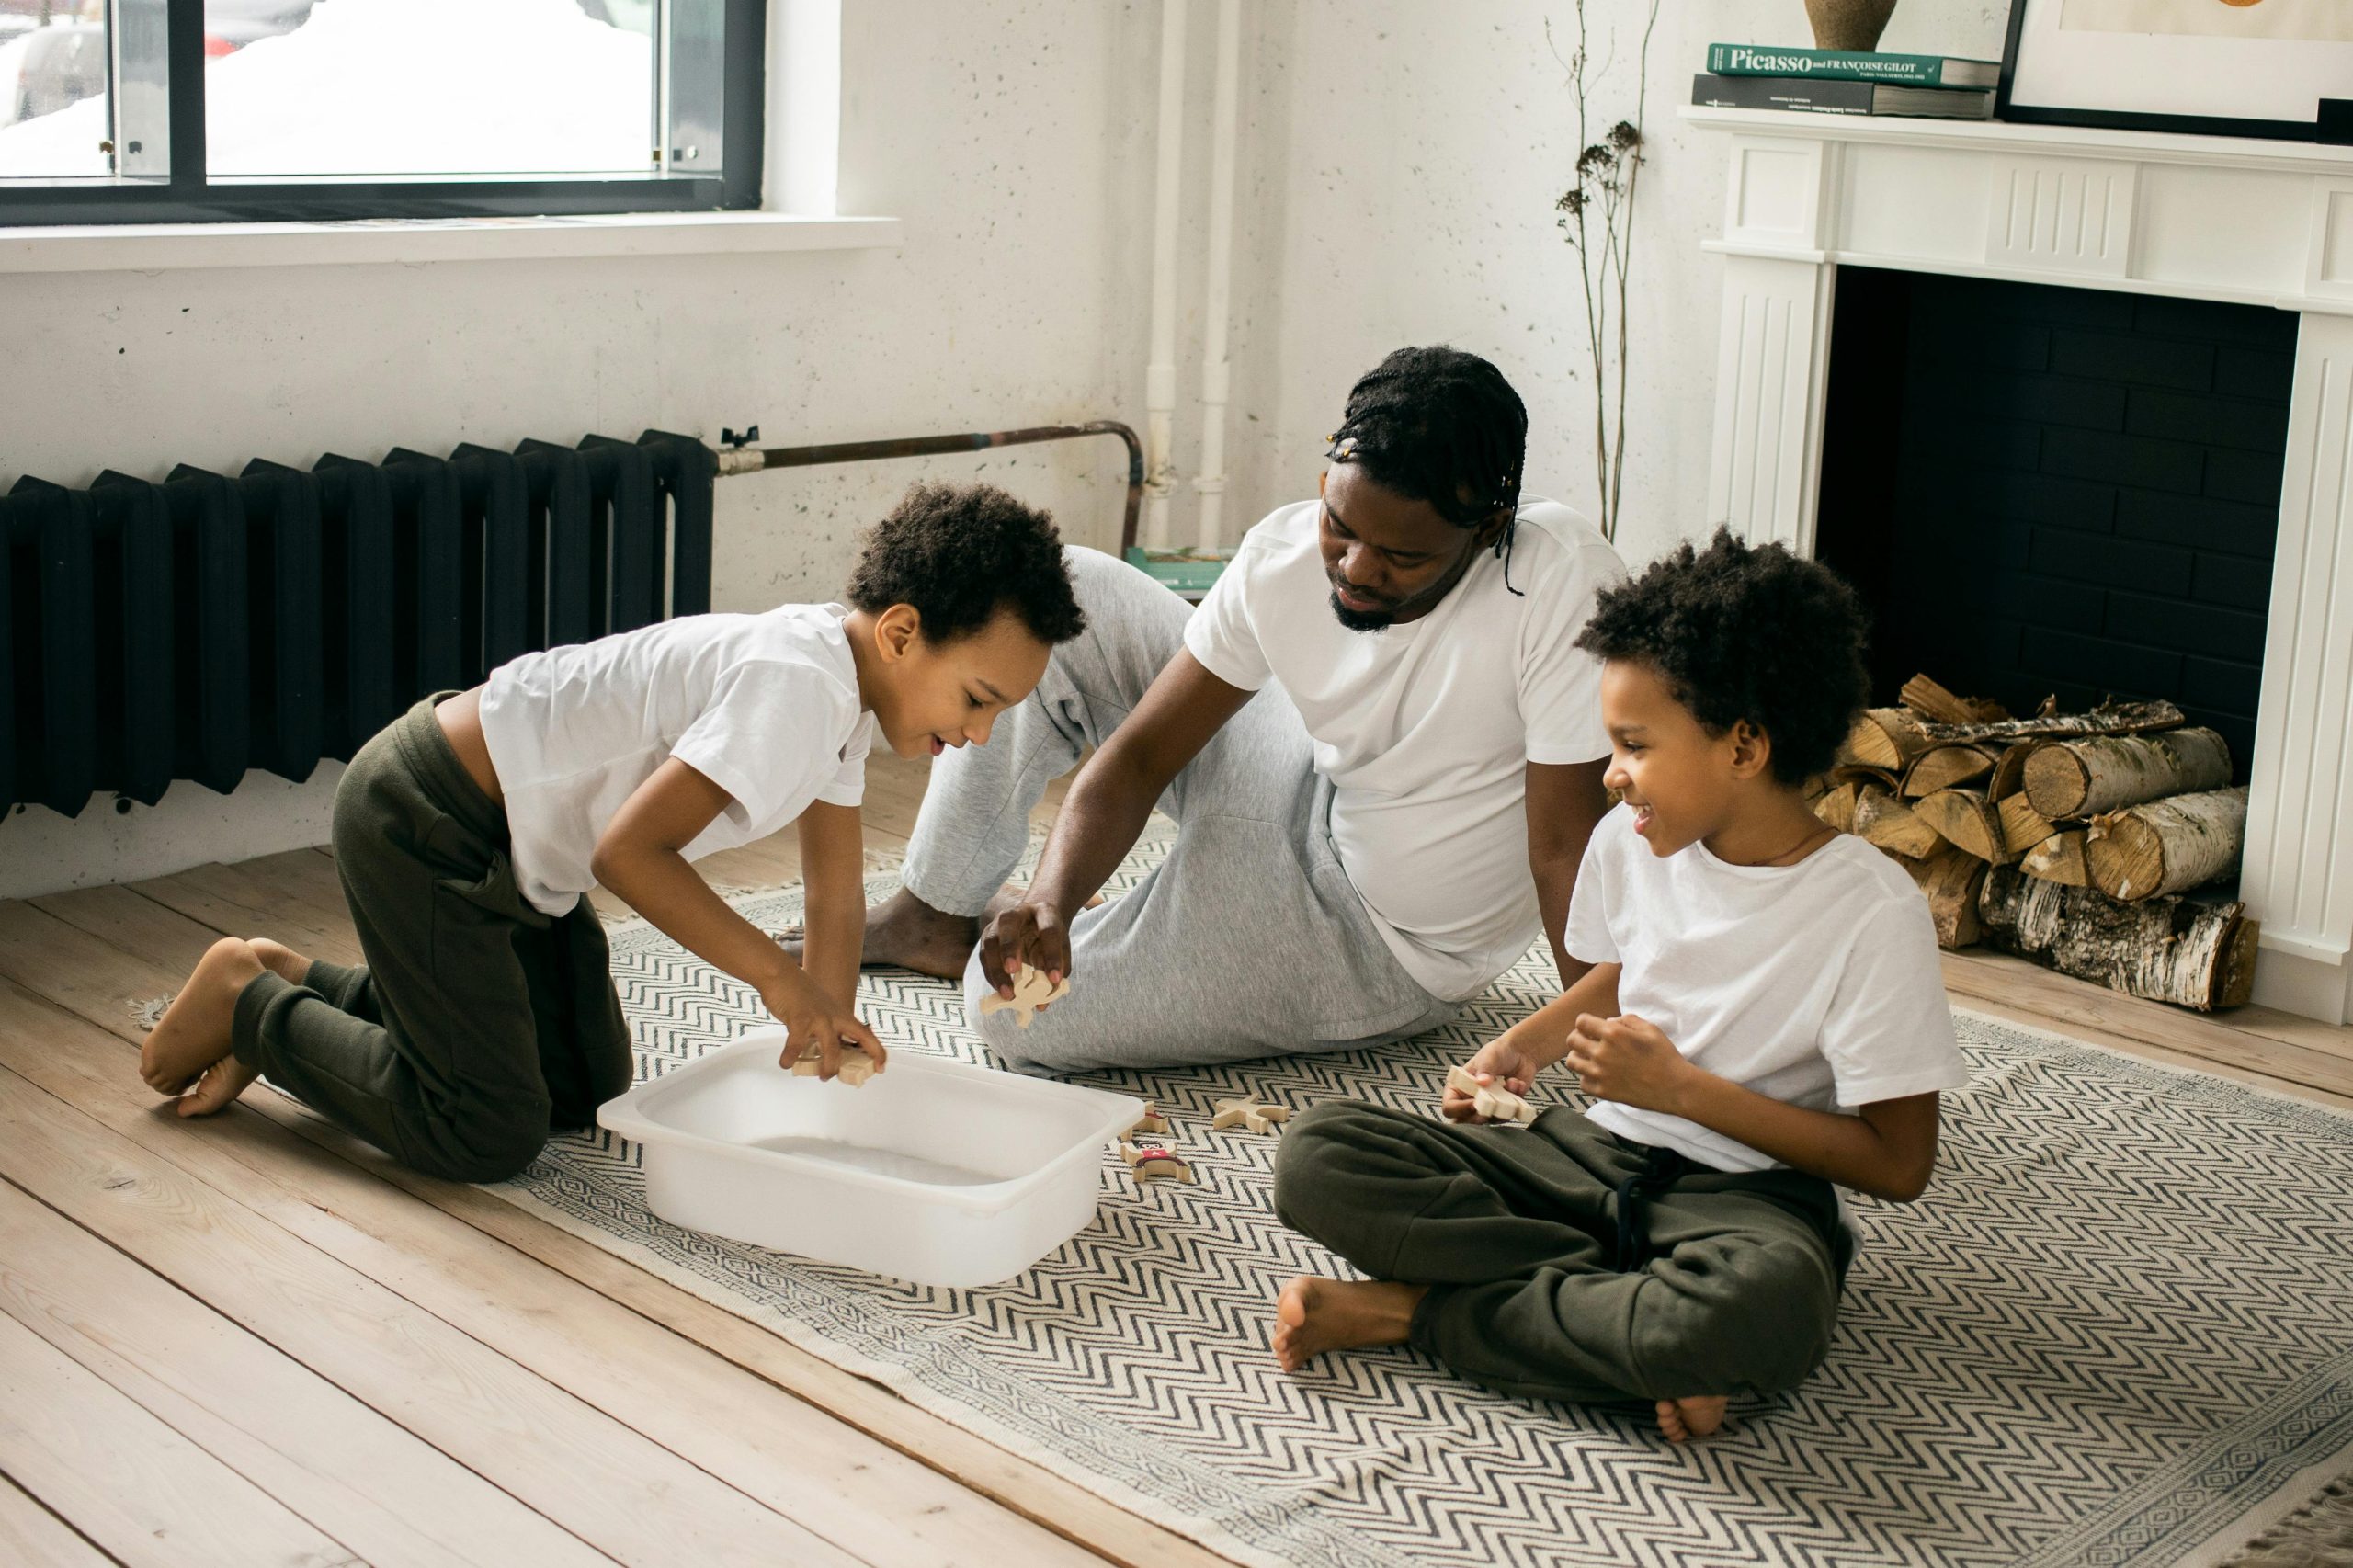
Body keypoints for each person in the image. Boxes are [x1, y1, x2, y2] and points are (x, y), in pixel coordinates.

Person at [138, 483, 1086, 1182]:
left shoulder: (842, 698)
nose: (979, 733)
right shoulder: (798, 683)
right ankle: (248, 1005)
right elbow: (628, 854)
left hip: (519, 869)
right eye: (977, 698)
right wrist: (776, 977)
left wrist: (826, 1026)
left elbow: (834, 892)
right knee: (483, 1131)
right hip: (431, 822)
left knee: (583, 1087)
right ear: (900, 633)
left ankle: (306, 980)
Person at [1268, 528, 1970, 1443]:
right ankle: (1613, 1317)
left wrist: (1684, 1090)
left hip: (1745, 1201)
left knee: (1750, 1310)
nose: (1610, 773)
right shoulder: (1632, 839)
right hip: (1587, 1158)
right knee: (1318, 1150)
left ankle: (1414, 1310)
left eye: (1633, 744)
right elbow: (1626, 971)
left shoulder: (1868, 910)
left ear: (1745, 745)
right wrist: (1525, 1044)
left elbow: (1896, 1163)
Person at [805, 346, 1624, 1074]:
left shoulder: (1555, 583)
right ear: (1323, 486)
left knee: (1006, 1014)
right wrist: (1051, 897)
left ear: (1487, 531)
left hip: (1369, 936)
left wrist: (1602, 1051)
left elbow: (1564, 846)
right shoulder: (1282, 557)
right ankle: (934, 910)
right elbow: (1140, 757)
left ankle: (1154, 917)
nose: (1357, 569)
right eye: (1340, 526)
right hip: (1296, 770)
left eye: (1403, 556)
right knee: (1064, 595)